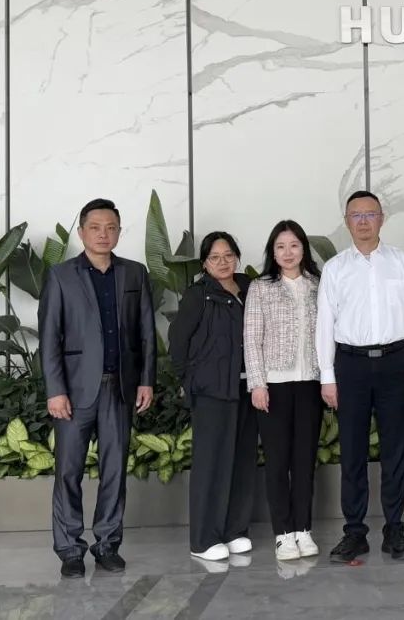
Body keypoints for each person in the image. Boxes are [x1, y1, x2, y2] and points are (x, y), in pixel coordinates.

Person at [39, 198, 156, 578]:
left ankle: (107, 544)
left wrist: (146, 380)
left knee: (114, 471)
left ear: (119, 232)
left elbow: (146, 333)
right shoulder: (61, 275)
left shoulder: (135, 274)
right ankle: (70, 550)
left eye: (111, 228)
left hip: (119, 389)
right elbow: (49, 337)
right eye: (95, 227)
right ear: (82, 232)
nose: (103, 234)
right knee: (68, 472)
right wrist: (55, 390)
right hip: (73, 392)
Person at [316, 191, 404, 564]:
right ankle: (354, 532)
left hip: (395, 362)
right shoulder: (335, 268)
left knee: (395, 450)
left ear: (382, 218)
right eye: (356, 215)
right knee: (352, 451)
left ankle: (395, 531)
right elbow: (325, 323)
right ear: (347, 221)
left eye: (370, 214)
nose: (363, 221)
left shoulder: (402, 262)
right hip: (351, 365)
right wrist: (327, 376)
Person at [168, 231, 256, 561]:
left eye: (228, 255)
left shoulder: (249, 288)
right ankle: (204, 539)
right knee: (211, 464)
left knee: (242, 460)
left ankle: (234, 530)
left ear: (237, 257)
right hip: (212, 391)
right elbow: (178, 342)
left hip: (247, 388)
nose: (222, 262)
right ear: (205, 263)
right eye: (214, 257)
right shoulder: (198, 295)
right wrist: (189, 380)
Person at [244, 220, 323, 561]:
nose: (288, 252)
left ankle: (303, 529)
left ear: (303, 249)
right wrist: (257, 384)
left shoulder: (318, 285)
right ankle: (283, 533)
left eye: (293, 245)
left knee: (304, 460)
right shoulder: (261, 287)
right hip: (273, 385)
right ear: (272, 253)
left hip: (310, 382)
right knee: (277, 462)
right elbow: (251, 339)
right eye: (280, 247)